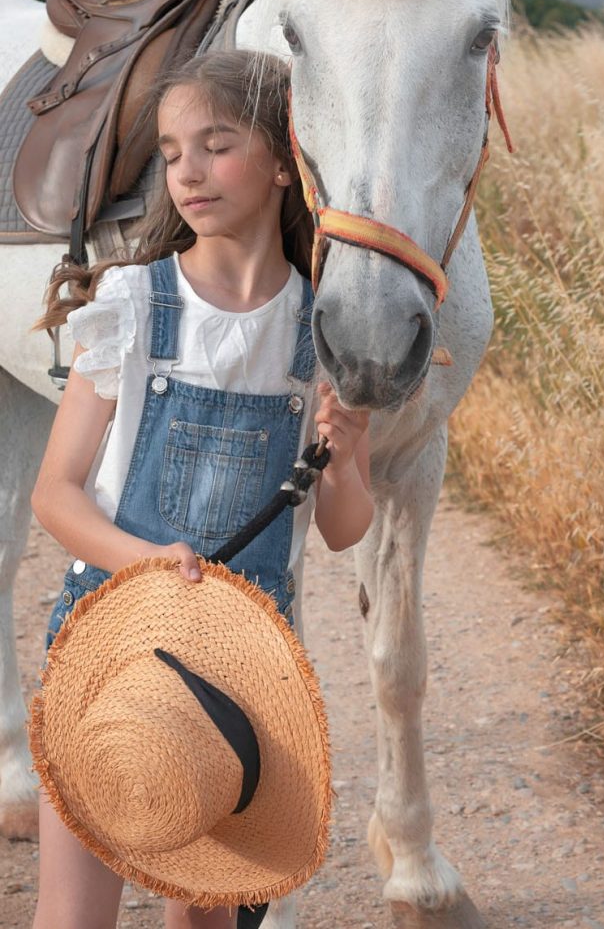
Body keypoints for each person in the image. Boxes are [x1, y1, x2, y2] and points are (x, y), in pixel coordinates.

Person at [29, 49, 374, 929]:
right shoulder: (134, 304)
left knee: (204, 918)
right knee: (71, 919)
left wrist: (347, 452)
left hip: (242, 667)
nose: (187, 172)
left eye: (216, 147)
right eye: (173, 152)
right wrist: (148, 562)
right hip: (114, 638)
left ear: (285, 164)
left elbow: (343, 528)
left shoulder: (321, 330)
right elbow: (55, 496)